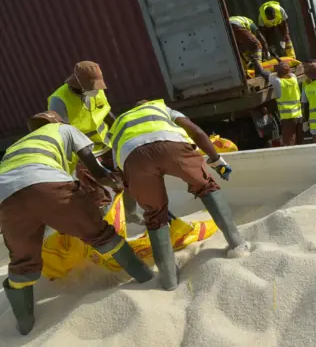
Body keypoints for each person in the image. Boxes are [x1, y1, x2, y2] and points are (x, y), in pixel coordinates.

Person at [0, 111, 153, 335]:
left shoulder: (16, 146)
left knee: (22, 261)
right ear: (57, 121)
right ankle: (146, 278)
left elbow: (24, 191)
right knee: (101, 234)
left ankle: (24, 325)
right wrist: (116, 183)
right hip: (48, 184)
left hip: (6, 198)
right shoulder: (66, 130)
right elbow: (96, 170)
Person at [109, 99, 251, 291]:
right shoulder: (161, 108)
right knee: (206, 187)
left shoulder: (119, 124)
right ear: (147, 104)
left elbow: (124, 176)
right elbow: (197, 132)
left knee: (154, 214)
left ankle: (169, 279)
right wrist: (218, 162)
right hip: (172, 146)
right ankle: (238, 245)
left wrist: (131, 210)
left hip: (133, 158)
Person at [48, 61, 140, 221]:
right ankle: (104, 223)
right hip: (81, 151)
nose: (95, 90)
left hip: (106, 144)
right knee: (93, 190)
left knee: (127, 178)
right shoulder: (59, 100)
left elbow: (106, 113)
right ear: (77, 81)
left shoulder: (97, 90)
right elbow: (63, 133)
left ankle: (130, 213)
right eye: (91, 87)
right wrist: (94, 167)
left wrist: (123, 134)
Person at [254, 61, 304, 146]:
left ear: (278, 73)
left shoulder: (278, 81)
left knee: (289, 143)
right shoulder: (293, 78)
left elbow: (263, 73)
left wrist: (255, 60)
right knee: (299, 141)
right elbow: (287, 72)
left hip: (288, 118)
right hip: (299, 116)